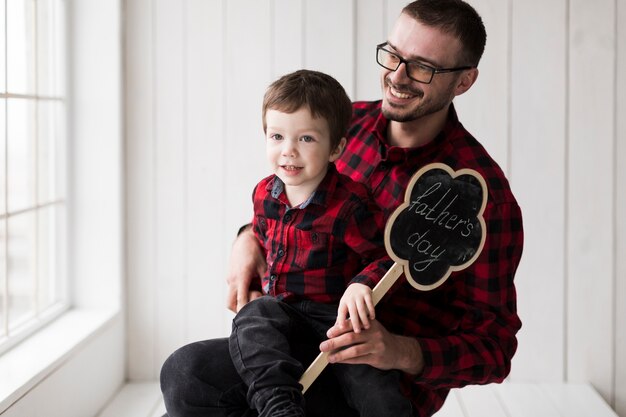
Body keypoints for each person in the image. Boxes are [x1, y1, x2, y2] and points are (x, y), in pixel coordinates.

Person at [160, 0, 524, 416]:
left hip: (378, 380)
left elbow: (494, 346)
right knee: (188, 374)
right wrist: (247, 239)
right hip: (300, 332)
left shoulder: (482, 195)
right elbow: (294, 204)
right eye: (393, 55)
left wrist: (400, 351)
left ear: (464, 81)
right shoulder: (340, 127)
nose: (398, 77)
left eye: (423, 67)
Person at [228, 69, 411, 417]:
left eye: (306, 139)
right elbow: (263, 243)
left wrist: (362, 284)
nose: (289, 151)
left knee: (376, 391)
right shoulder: (264, 194)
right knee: (252, 319)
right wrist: (252, 283)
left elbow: (387, 257)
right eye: (277, 136)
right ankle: (278, 406)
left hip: (336, 317)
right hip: (282, 310)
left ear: (336, 148)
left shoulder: (350, 204)